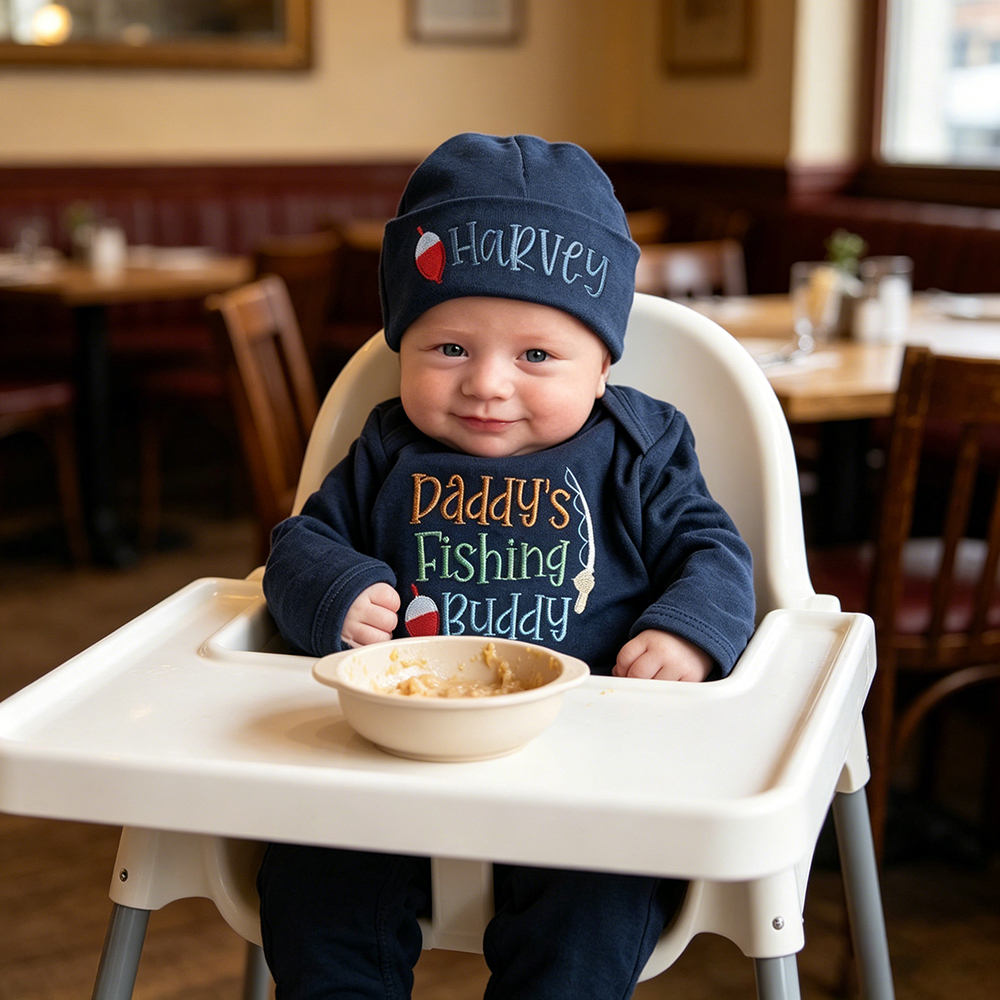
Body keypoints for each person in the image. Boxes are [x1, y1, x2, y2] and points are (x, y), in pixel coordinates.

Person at [258, 133, 755, 1000]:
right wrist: (336, 594)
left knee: (589, 912)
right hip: (395, 748)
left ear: (603, 364)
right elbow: (301, 544)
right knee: (314, 873)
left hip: (587, 754)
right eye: (449, 348)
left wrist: (689, 632)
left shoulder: (641, 447)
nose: (487, 385)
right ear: (402, 348)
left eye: (536, 356)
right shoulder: (388, 446)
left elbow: (713, 552)